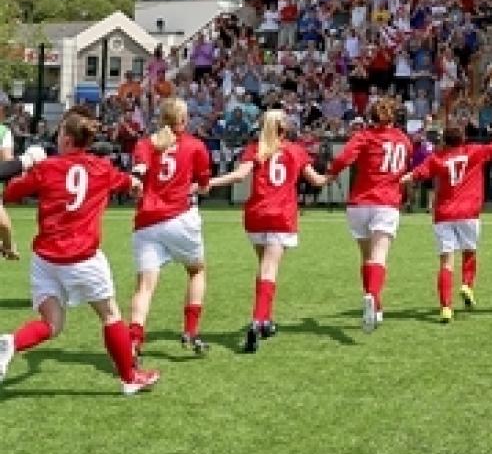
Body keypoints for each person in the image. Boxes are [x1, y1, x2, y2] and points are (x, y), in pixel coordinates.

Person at [0, 109, 160, 395]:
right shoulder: (101, 168)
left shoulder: (47, 168)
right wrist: (136, 181)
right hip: (82, 259)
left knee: (52, 323)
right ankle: (129, 378)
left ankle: (11, 343)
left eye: (61, 132)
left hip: (45, 260)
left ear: (68, 140)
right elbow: (129, 183)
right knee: (110, 315)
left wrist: (26, 164)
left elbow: (10, 193)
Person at [205, 110, 329, 353]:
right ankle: (258, 319)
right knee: (269, 270)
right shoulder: (295, 150)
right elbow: (316, 181)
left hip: (256, 214)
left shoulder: (256, 148)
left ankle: (266, 320)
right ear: (285, 128)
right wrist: (334, 172)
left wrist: (209, 182)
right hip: (281, 215)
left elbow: (239, 176)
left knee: (263, 267)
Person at [407, 114, 492, 323]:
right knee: (469, 252)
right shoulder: (475, 151)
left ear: (444, 141)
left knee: (445, 262)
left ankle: (446, 307)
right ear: (463, 138)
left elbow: (418, 173)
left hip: (443, 214)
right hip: (469, 213)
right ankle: (467, 285)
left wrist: (399, 179)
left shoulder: (438, 158)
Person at [126, 97, 214, 359]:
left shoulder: (144, 145)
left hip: (147, 220)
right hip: (181, 218)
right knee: (196, 270)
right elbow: (205, 184)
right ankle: (190, 331)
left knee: (144, 287)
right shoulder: (195, 146)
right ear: (184, 120)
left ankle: (134, 340)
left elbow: (138, 175)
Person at [325, 97, 413, 333]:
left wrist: (331, 174)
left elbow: (343, 158)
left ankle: (375, 304)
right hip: (386, 202)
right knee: (379, 256)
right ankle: (373, 296)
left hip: (359, 203)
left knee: (366, 258)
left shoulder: (364, 136)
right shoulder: (404, 141)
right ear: (394, 117)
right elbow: (404, 166)